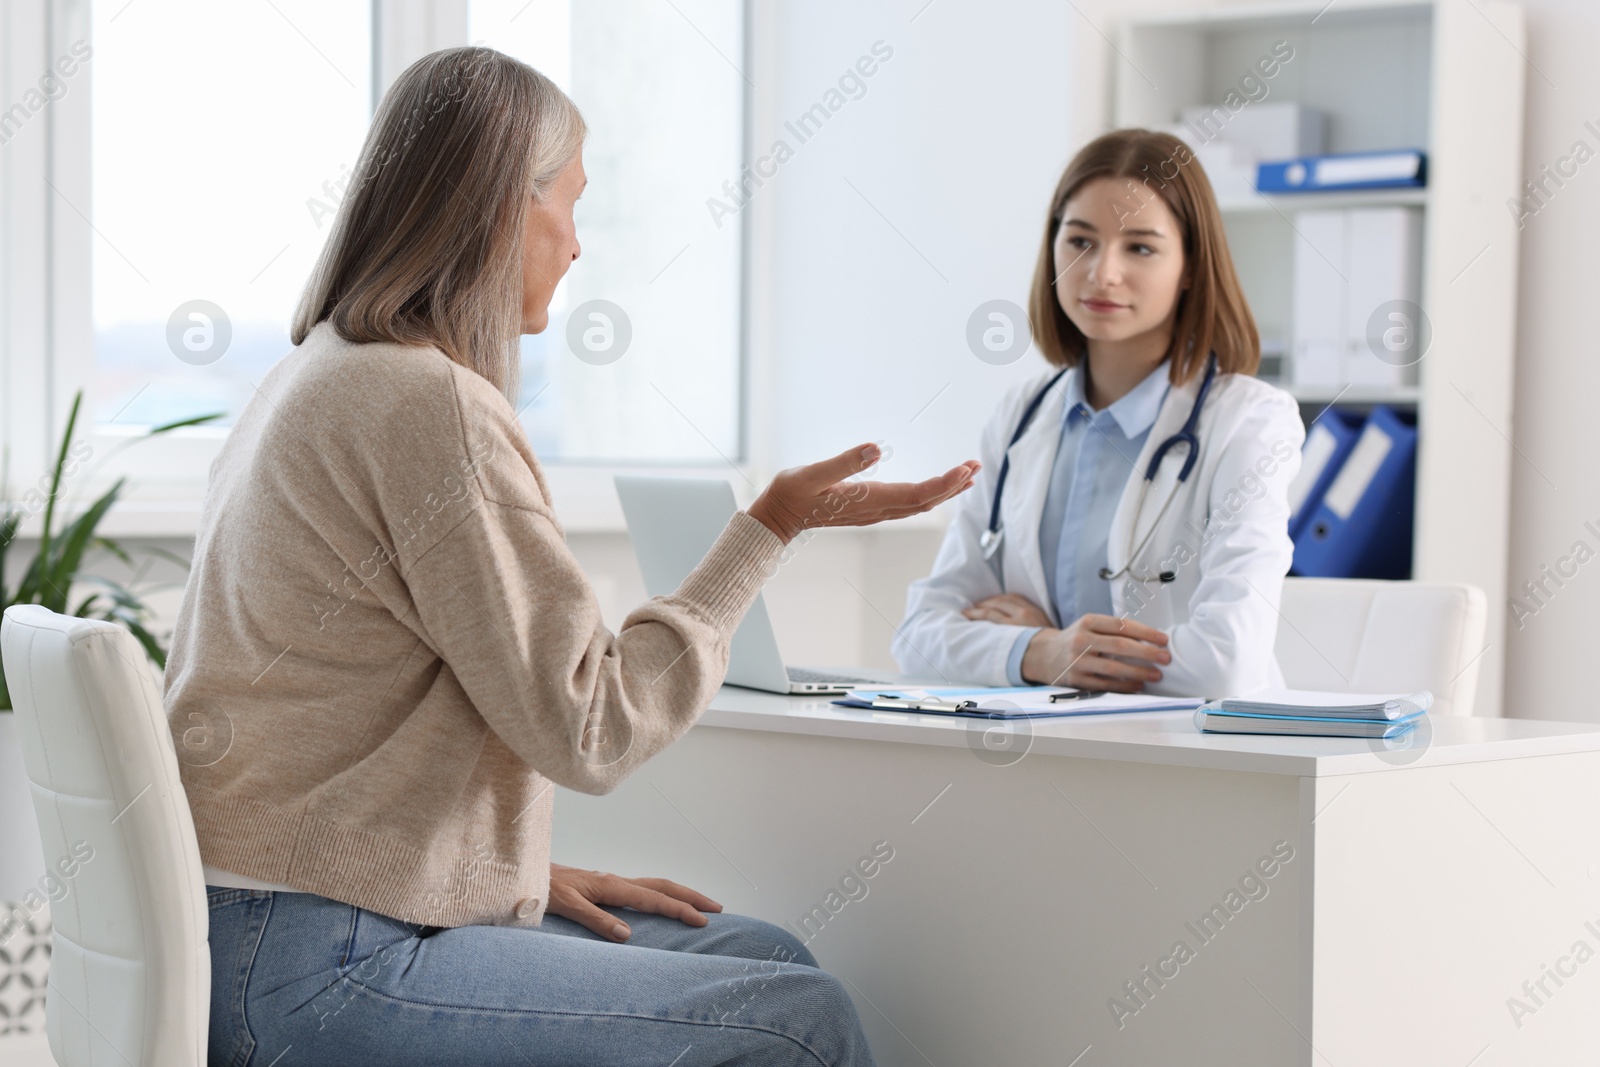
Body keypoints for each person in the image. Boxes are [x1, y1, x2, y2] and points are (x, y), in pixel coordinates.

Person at [166, 47, 977, 1067]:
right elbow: (590, 724)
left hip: (256, 934)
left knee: (761, 950)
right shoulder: (425, 406)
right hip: (318, 965)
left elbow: (325, 726)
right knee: (796, 1019)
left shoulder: (314, 374)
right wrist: (767, 530)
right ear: (504, 207)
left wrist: (511, 875)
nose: (578, 243)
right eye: (570, 203)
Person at [893, 129, 1304, 699]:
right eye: (1081, 241)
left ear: (1189, 265)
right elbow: (918, 639)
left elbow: (1225, 663)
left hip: (1197, 760)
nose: (1102, 273)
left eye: (1140, 247)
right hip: (1047, 753)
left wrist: (1047, 647)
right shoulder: (1021, 414)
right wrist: (1045, 651)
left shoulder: (1249, 422)